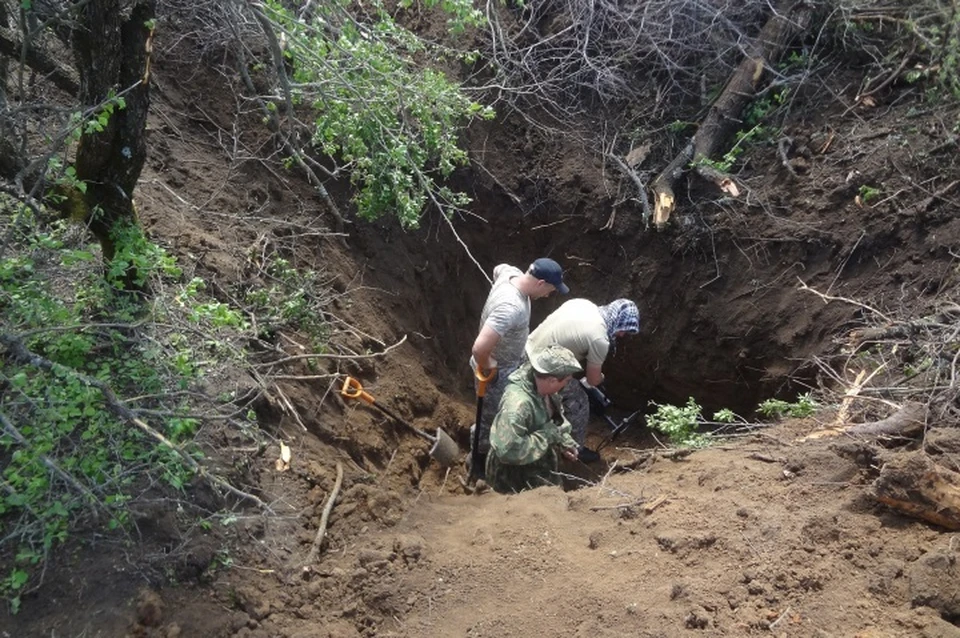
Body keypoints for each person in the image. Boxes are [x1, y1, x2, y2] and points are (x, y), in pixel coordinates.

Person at [468, 258, 569, 477]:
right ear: (540, 283)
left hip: (511, 364)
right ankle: (480, 466)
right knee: (493, 420)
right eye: (550, 290)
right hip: (496, 373)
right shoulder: (510, 307)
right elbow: (479, 348)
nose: (549, 295)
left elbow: (497, 268)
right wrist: (489, 365)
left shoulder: (510, 273)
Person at [524, 298, 640, 462]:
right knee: (579, 400)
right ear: (617, 321)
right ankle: (574, 448)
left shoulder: (583, 304)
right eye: (623, 330)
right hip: (540, 367)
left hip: (526, 350)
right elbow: (593, 380)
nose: (621, 335)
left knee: (570, 384)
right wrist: (601, 378)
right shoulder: (599, 339)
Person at [485, 345, 582, 494]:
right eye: (566, 381)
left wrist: (564, 440)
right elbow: (507, 451)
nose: (567, 384)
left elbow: (554, 419)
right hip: (512, 477)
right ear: (551, 380)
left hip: (539, 464)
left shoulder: (541, 383)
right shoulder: (517, 406)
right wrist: (547, 435)